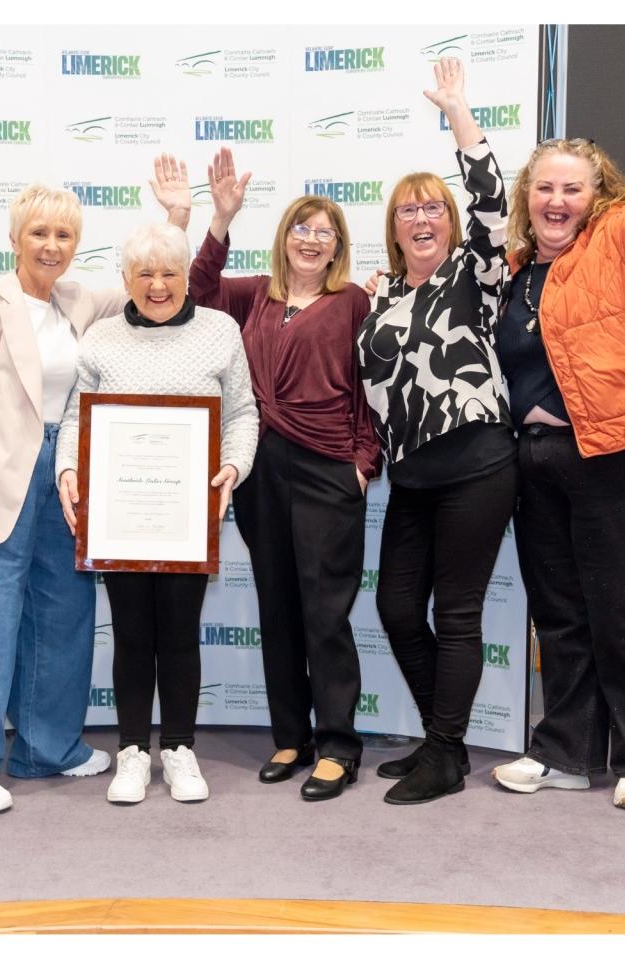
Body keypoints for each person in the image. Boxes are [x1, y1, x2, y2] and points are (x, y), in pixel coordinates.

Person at [0, 164, 193, 815]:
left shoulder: (79, 301)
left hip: (66, 470)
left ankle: (47, 746)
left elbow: (152, 285)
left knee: (64, 612)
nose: (51, 245)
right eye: (39, 232)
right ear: (15, 237)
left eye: (64, 235)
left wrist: (177, 219)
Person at [487, 67, 625, 812]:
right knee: (561, 615)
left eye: (572, 189)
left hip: (621, 452)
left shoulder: (624, 241)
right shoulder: (517, 273)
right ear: (527, 198)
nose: (556, 201)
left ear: (599, 195)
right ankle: (567, 754)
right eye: (544, 188)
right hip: (538, 463)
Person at [54, 220, 259, 804]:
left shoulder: (220, 331)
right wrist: (67, 468)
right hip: (120, 515)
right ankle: (132, 752)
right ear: (126, 279)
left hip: (188, 516)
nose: (158, 285)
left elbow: (242, 413)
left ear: (186, 277)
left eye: (170, 272)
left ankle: (179, 748)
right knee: (131, 633)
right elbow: (76, 417)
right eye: (144, 274)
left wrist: (233, 467)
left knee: (179, 632)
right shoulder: (101, 338)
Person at [193, 162, 378, 802]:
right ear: (284, 237)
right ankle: (291, 737)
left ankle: (339, 746)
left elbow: (370, 388)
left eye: (325, 231)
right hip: (262, 468)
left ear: (338, 245)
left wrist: (363, 463)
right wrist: (220, 219)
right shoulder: (255, 296)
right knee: (277, 606)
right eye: (302, 228)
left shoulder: (352, 301)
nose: (311, 239)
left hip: (328, 467)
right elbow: (198, 291)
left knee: (325, 612)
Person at [357, 57, 514, 805]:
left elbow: (492, 201)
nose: (421, 220)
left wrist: (458, 113)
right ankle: (439, 736)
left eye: (433, 210)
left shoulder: (473, 276)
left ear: (449, 222)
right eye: (407, 212)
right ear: (393, 228)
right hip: (412, 476)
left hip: (477, 463)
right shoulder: (380, 296)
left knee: (455, 614)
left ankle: (446, 754)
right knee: (394, 607)